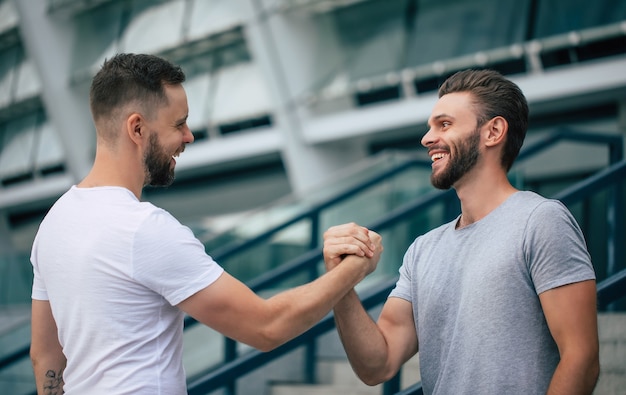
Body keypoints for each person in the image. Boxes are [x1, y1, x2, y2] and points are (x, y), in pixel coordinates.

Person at [29, 53, 382, 395]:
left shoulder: (55, 223)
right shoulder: (144, 229)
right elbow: (266, 327)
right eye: (178, 123)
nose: (188, 136)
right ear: (137, 128)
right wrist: (354, 269)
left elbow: (45, 356)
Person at [322, 69, 600, 394]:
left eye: (444, 124)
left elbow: (582, 359)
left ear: (493, 131)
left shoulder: (541, 221)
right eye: (430, 127)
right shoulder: (423, 249)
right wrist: (340, 283)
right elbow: (377, 363)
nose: (427, 139)